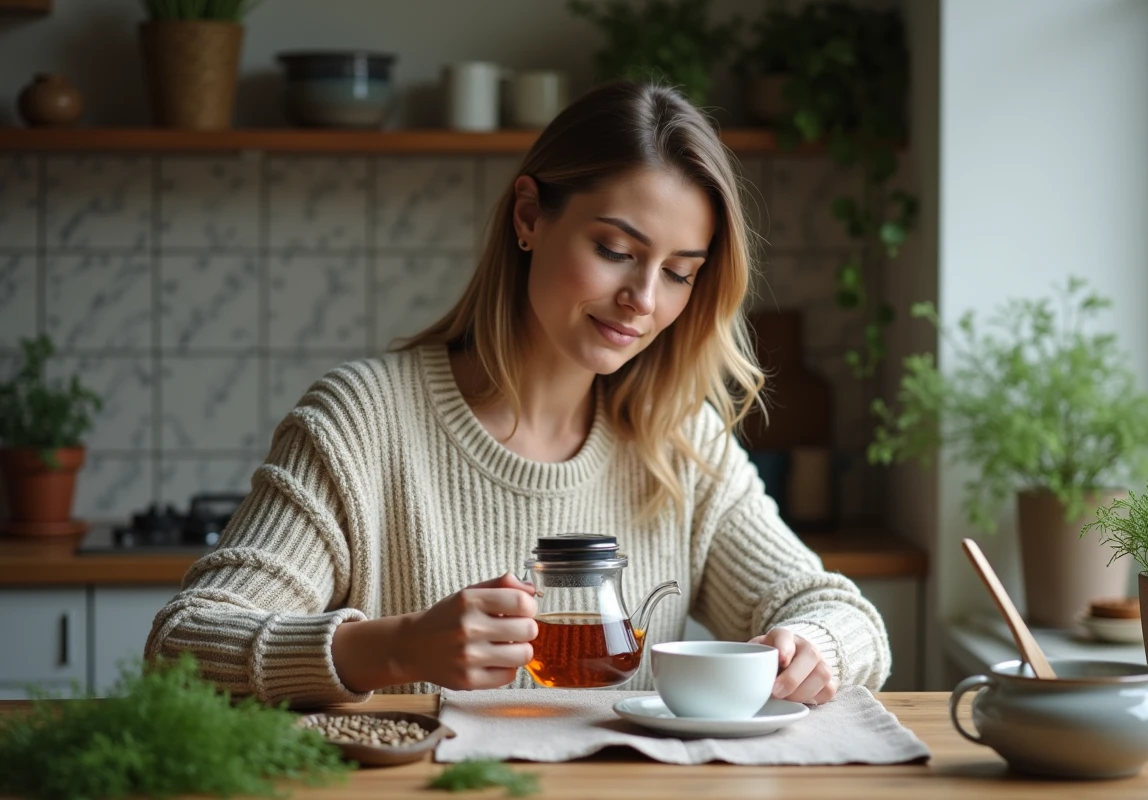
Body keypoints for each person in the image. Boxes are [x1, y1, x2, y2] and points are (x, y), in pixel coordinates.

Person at [145, 81, 891, 708]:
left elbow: (840, 614)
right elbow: (183, 646)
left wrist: (815, 646)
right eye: (616, 252)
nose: (642, 299)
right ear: (530, 217)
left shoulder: (678, 436)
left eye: (678, 271)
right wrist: (396, 648)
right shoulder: (361, 422)